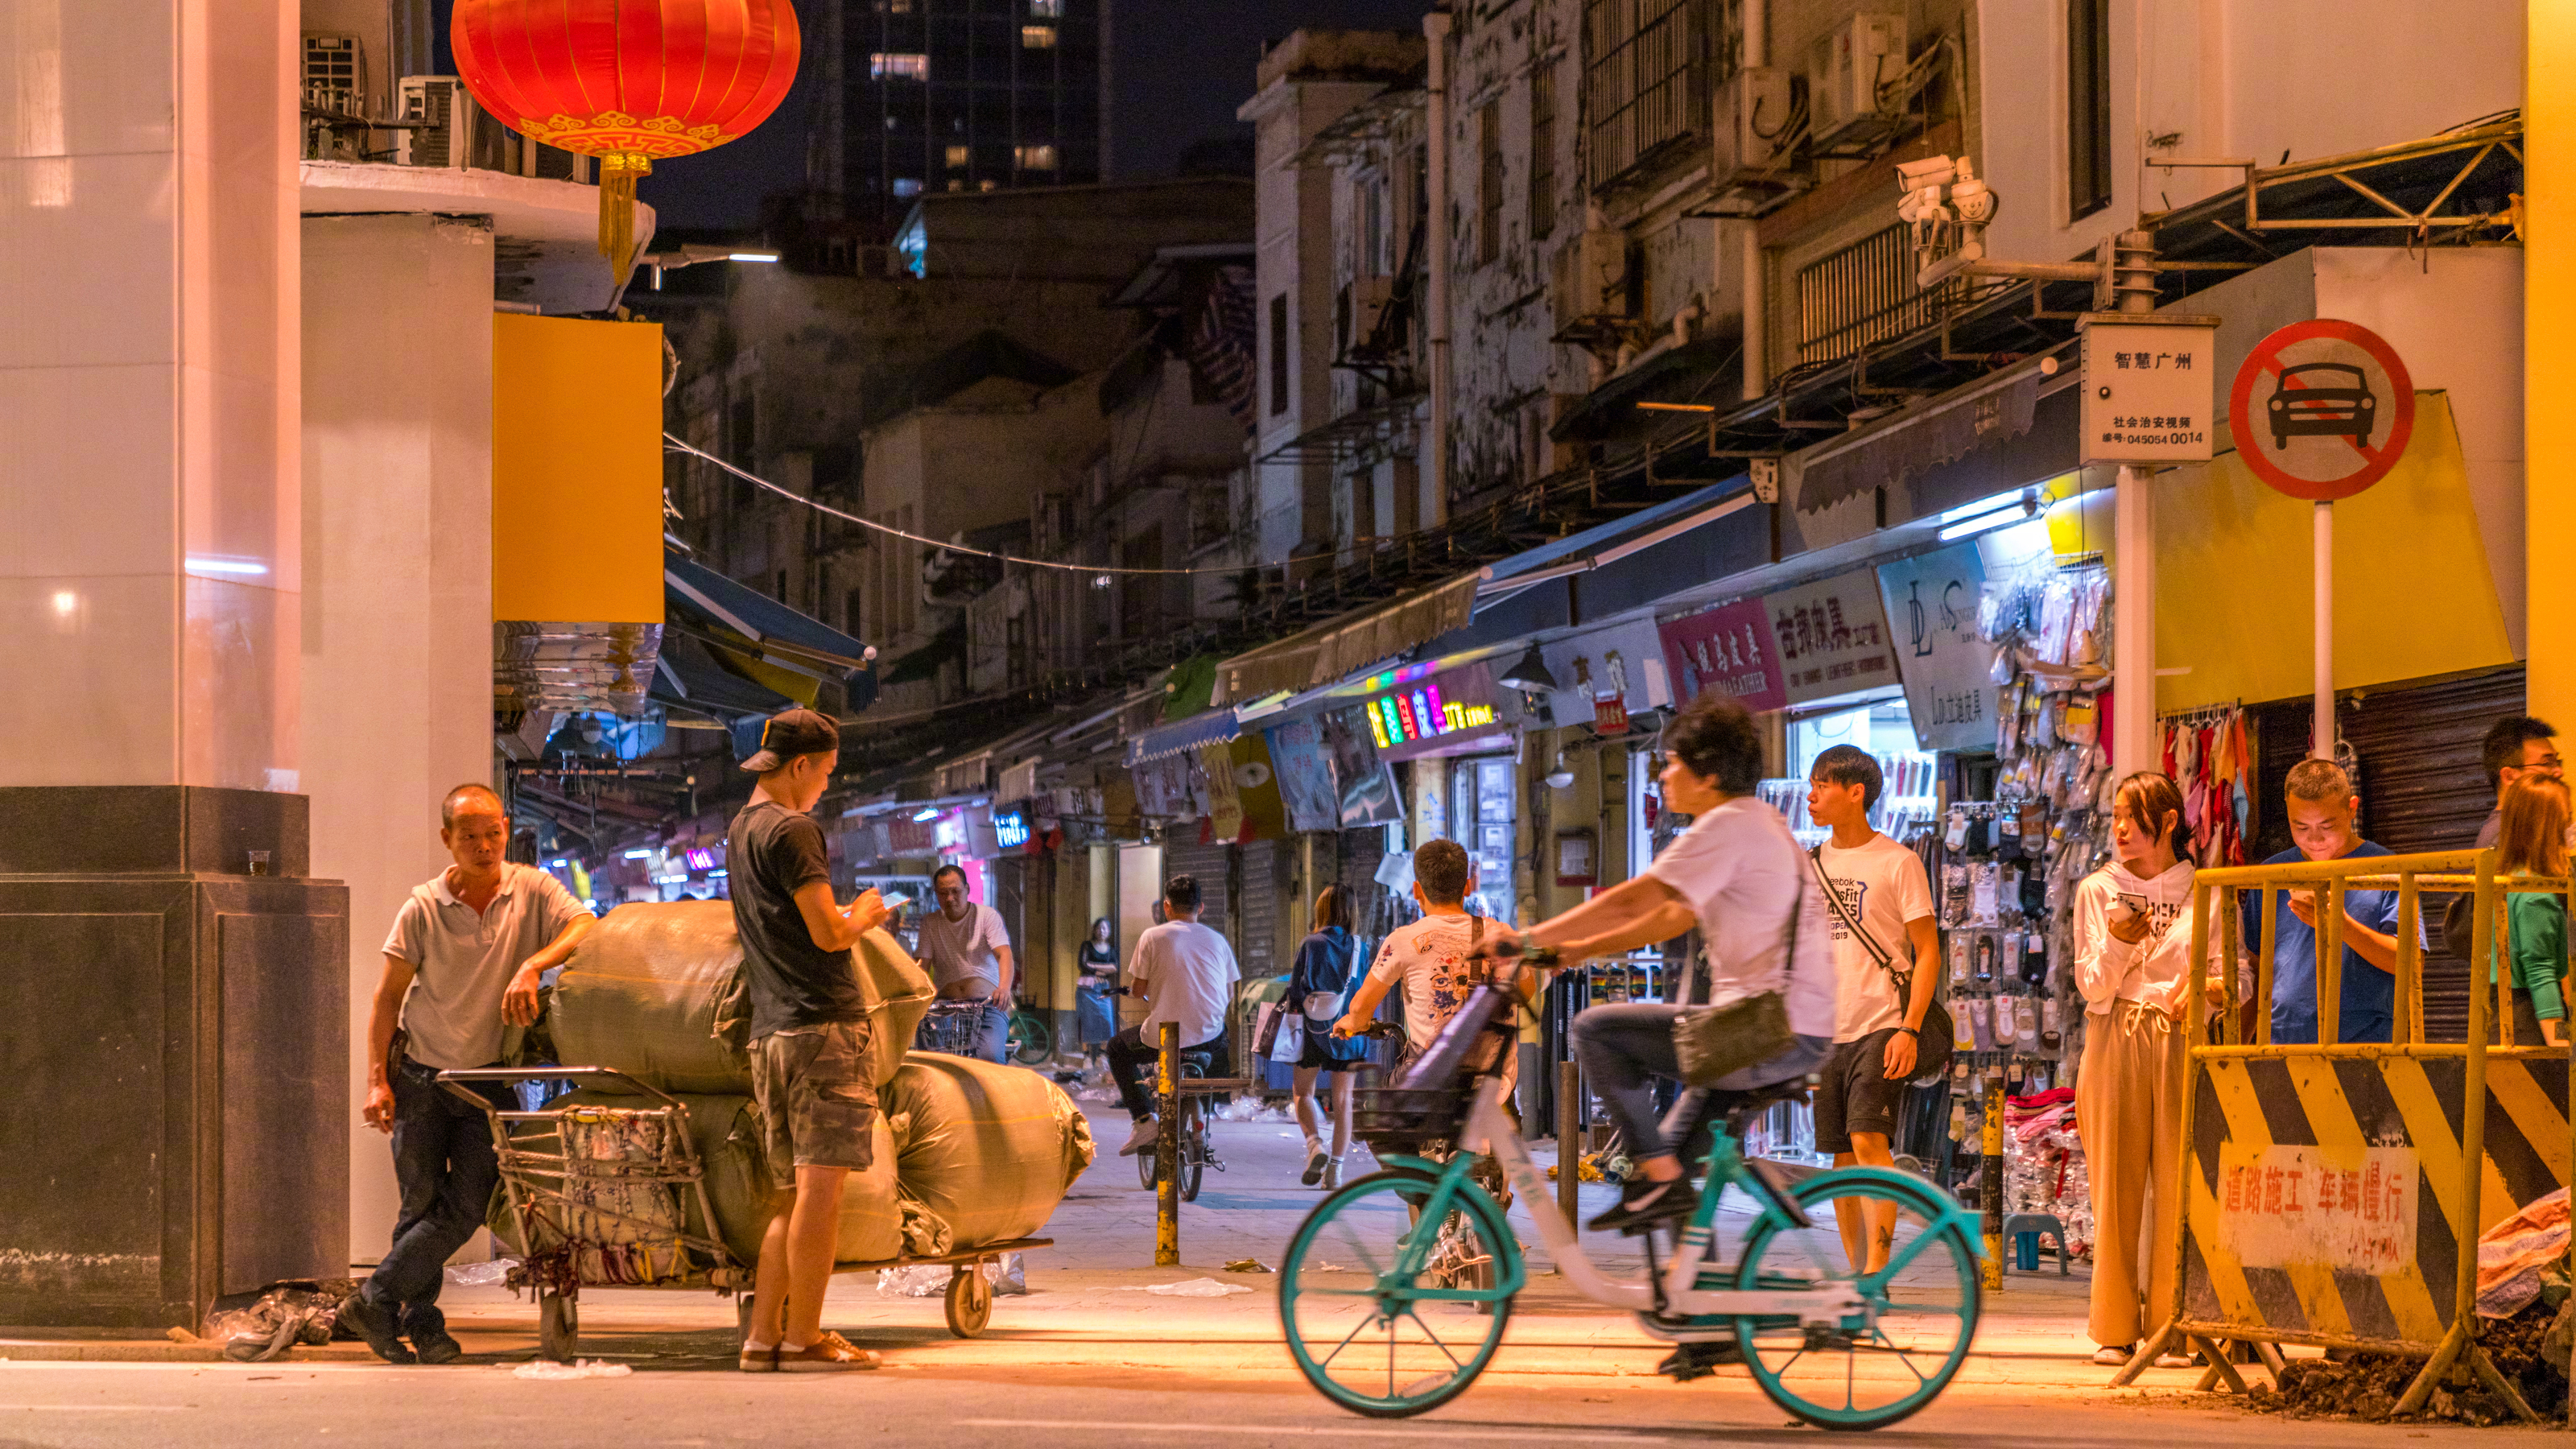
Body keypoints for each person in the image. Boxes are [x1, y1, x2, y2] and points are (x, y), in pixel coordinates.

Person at [1490, 690, 1835, 1234]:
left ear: (1710, 774)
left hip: (1760, 1030)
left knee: (1596, 1032)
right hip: (1776, 1028)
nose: (1662, 775)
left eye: (1674, 763)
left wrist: (1527, 939)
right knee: (1666, 1183)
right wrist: (1574, 950)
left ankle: (1663, 1178)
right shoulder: (1759, 821)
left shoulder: (1727, 826)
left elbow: (1637, 898)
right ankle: (1687, 1287)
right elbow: (1673, 915)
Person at [341, 783, 595, 1365]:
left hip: (488, 1083)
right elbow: (387, 1000)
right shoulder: (423, 908)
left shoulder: (532, 888)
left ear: (506, 830)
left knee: (469, 1206)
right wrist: (377, 1080)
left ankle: (373, 1301)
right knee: (419, 1207)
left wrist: (532, 964)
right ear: (447, 840)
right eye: (471, 837)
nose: (484, 846)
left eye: (494, 834)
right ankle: (423, 1326)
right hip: (424, 1079)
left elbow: (584, 924)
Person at [728, 708, 894, 1373]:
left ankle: (763, 1336)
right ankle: (806, 1338)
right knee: (821, 1197)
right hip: (822, 1029)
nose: (826, 784)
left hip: (771, 1033)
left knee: (790, 1196)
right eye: (824, 772)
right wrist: (868, 916)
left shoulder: (741, 829)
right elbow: (828, 932)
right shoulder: (794, 830)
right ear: (799, 767)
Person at [2072, 772, 2228, 1368]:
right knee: (2114, 1184)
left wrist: (2207, 992)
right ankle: (2114, 1327)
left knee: (2179, 1183)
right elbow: (2089, 983)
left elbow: (2231, 971)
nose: (2118, 831)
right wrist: (2114, 942)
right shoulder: (2097, 890)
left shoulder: (2205, 889)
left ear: (2166, 822)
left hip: (2181, 1035)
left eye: (2130, 819)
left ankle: (2175, 1323)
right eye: (2114, 818)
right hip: (2114, 1034)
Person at [1802, 745, 1939, 1276]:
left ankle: (1875, 1273)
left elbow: (1926, 951)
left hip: (1881, 1024)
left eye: (1822, 785)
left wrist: (1910, 1028)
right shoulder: (1810, 865)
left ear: (1855, 793)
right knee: (1839, 1156)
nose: (1811, 796)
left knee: (1868, 1140)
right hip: (1824, 1031)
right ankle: (1855, 1269)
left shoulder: (1899, 862)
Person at [2244, 759, 2406, 1045]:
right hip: (2281, 1042)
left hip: (2367, 1044)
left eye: (2327, 825)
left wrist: (2341, 926)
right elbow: (2257, 970)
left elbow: (2408, 962)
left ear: (2352, 808)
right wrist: (2240, 1047)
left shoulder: (2386, 867)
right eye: (2301, 827)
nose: (2315, 839)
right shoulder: (2270, 874)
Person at [1109, 874, 1241, 1157]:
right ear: (1201, 908)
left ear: (1167, 907)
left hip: (1163, 1038)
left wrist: (1141, 991)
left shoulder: (1152, 936)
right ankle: (1201, 1120)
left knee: (1117, 1048)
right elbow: (1229, 994)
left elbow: (1139, 988)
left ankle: (1144, 1120)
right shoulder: (1218, 940)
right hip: (1210, 1040)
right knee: (1218, 1035)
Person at [1287, 886, 1365, 1189]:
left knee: (1303, 1092)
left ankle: (1314, 1145)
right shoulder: (1361, 947)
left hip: (1313, 1031)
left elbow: (1297, 990)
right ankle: (1335, 1171)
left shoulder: (1311, 943)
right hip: (1349, 1031)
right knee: (1343, 1100)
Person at [2495, 775, 2573, 1046]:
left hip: (2506, 1022)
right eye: (2568, 818)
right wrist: (2562, 1043)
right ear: (2548, 829)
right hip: (2530, 1030)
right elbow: (2541, 973)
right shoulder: (2535, 894)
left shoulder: (2510, 882)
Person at [914, 864, 1014, 1063]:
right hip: (944, 1007)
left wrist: (1003, 988)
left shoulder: (987, 916)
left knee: (990, 1056)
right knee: (930, 1059)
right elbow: (921, 966)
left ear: (967, 889)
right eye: (943, 893)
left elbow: (1004, 954)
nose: (950, 898)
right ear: (936, 894)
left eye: (955, 891)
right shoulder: (930, 923)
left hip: (987, 1005)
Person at [2478, 716, 2561, 848]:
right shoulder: (2505, 836)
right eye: (2547, 763)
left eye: (2558, 762)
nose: (2559, 772)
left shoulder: (2531, 827)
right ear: (2509, 776)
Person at [1077, 917, 1120, 1066]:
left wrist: (1093, 967)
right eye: (1099, 928)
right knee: (1087, 1021)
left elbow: (1114, 967)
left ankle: (1102, 1054)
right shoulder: (1087, 946)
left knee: (1107, 1021)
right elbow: (1083, 965)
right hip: (1087, 989)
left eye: (1105, 928)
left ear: (1109, 932)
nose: (1102, 931)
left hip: (1104, 989)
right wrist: (1101, 969)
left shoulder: (1111, 949)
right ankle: (1087, 1057)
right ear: (1094, 930)